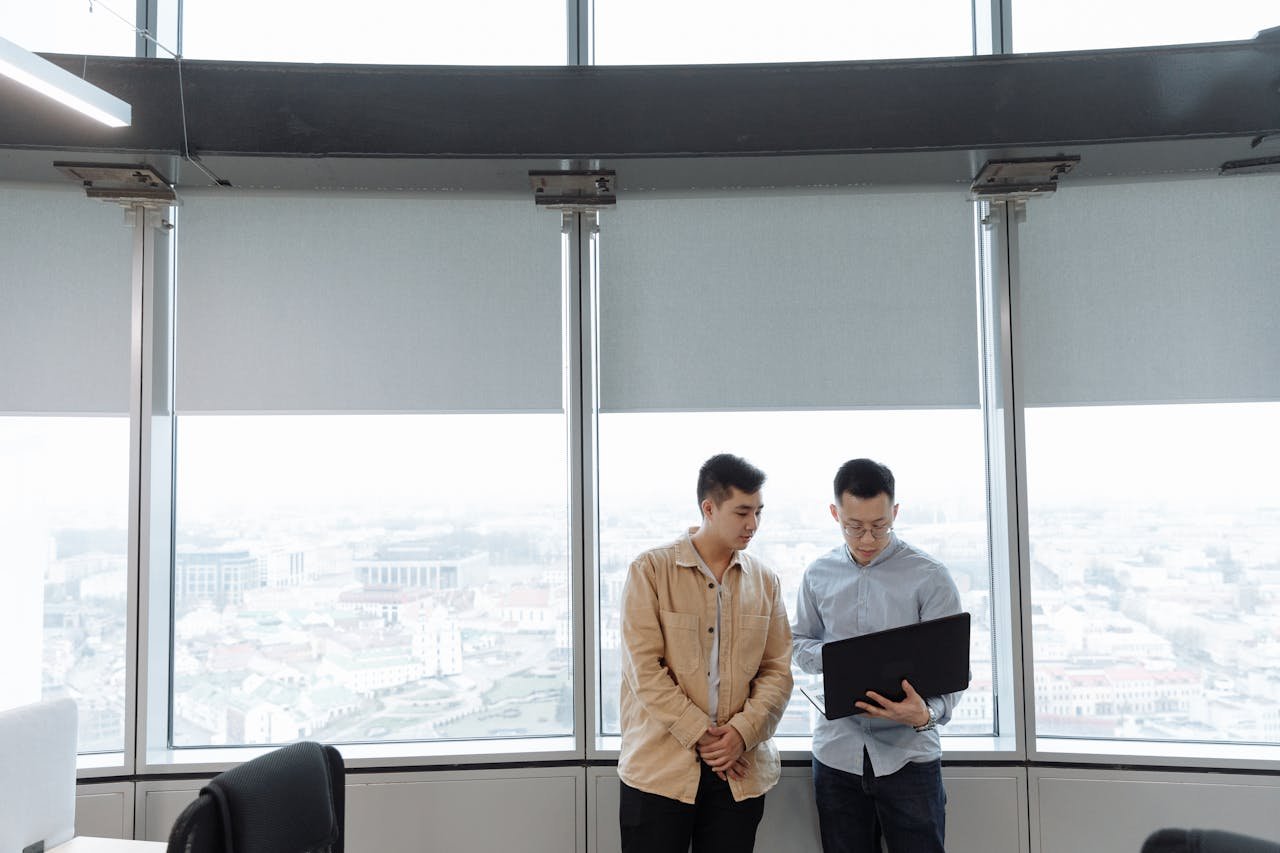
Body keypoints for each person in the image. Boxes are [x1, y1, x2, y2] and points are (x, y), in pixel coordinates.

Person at [618, 453, 794, 853]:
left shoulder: (766, 581)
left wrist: (741, 734)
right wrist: (702, 734)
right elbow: (642, 669)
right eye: (742, 512)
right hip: (659, 770)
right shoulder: (650, 570)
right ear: (709, 508)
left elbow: (777, 672)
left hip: (738, 772)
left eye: (759, 512)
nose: (753, 524)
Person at [792, 458, 965, 853]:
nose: (867, 539)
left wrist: (926, 715)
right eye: (854, 527)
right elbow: (799, 643)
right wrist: (840, 659)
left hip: (910, 756)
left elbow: (953, 667)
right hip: (837, 755)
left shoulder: (930, 576)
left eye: (880, 526)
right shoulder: (818, 574)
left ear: (895, 513)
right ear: (835, 513)